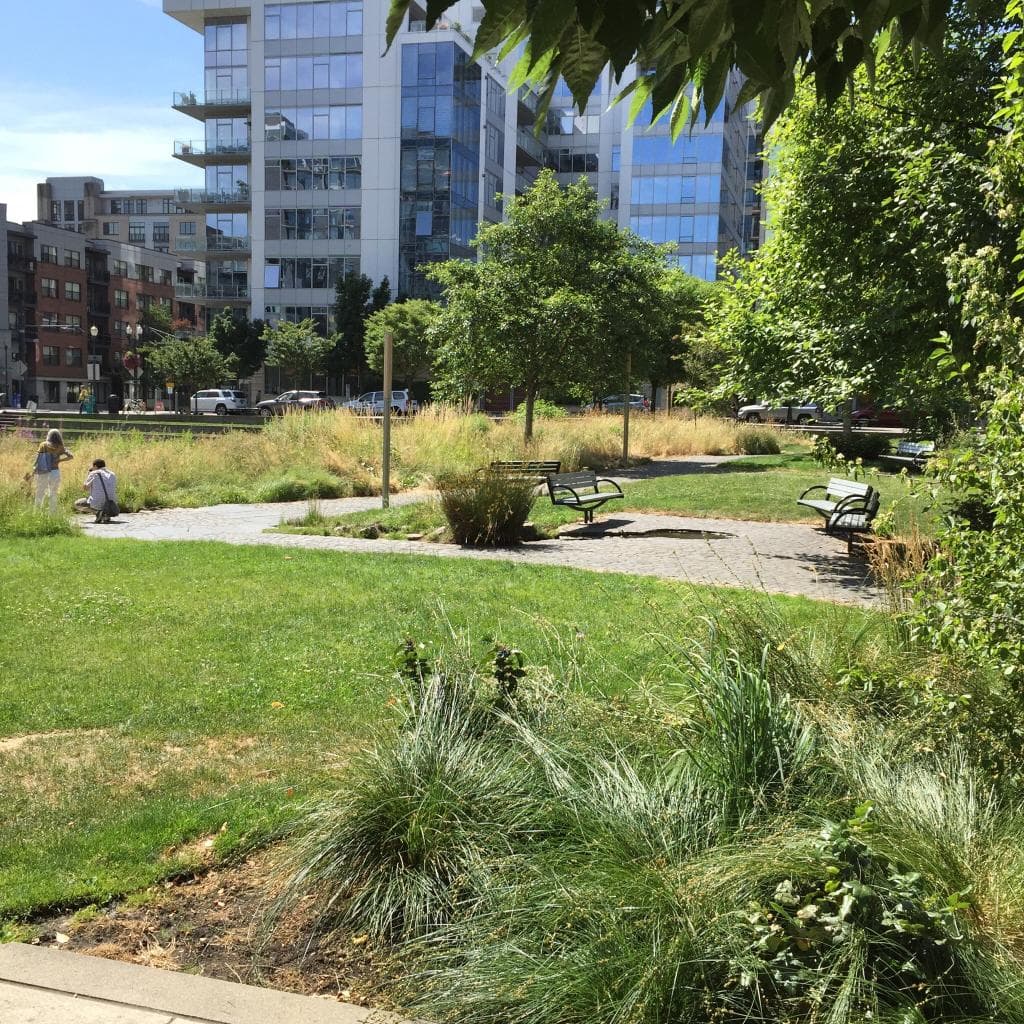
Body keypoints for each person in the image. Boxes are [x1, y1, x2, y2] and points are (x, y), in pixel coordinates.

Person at [30, 428, 73, 511]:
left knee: (40, 493)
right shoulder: (60, 447)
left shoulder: (43, 445)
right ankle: (52, 514)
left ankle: (37, 513)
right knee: (53, 493)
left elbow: (38, 459)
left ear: (48, 435)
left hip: (43, 472)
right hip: (55, 472)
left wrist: (33, 471)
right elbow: (71, 456)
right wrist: (59, 460)